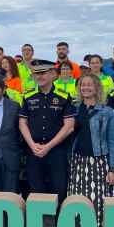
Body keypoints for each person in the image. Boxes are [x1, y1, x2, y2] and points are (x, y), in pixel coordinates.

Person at [68, 72, 114, 227]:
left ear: (97, 87)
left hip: (99, 163)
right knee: (78, 200)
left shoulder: (107, 111)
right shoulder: (74, 109)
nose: (85, 87)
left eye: (89, 84)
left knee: (100, 200)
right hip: (78, 162)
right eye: (83, 85)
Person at [20, 60, 76, 203]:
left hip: (57, 152)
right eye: (36, 73)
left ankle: (59, 224)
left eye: (43, 73)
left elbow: (69, 126)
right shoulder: (27, 96)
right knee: (35, 189)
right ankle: (40, 224)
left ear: (52, 74)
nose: (39, 76)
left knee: (59, 189)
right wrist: (33, 145)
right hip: (34, 151)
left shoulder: (64, 96)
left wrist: (48, 146)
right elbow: (22, 124)